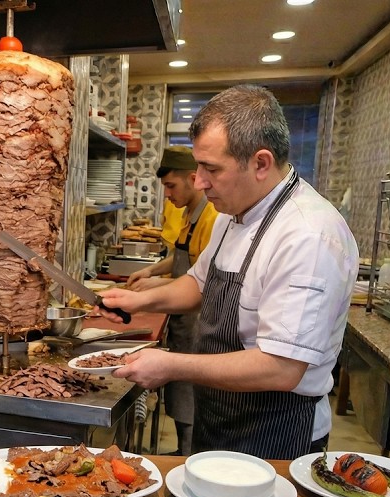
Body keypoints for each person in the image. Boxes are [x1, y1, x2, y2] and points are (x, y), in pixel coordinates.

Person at [98, 84, 358, 460]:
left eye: (211, 169)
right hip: (219, 415)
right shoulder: (234, 211)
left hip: (274, 433)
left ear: (261, 163)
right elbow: (199, 284)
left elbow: (281, 368)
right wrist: (139, 299)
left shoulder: (308, 235)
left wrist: (172, 365)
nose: (200, 181)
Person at [125, 146, 219, 454]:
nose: (167, 194)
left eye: (171, 186)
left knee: (190, 392)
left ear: (193, 179)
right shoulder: (189, 213)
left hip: (197, 319)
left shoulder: (212, 217)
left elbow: (201, 281)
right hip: (181, 319)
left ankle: (189, 454)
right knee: (180, 392)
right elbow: (181, 257)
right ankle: (182, 451)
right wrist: (153, 271)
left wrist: (152, 292)